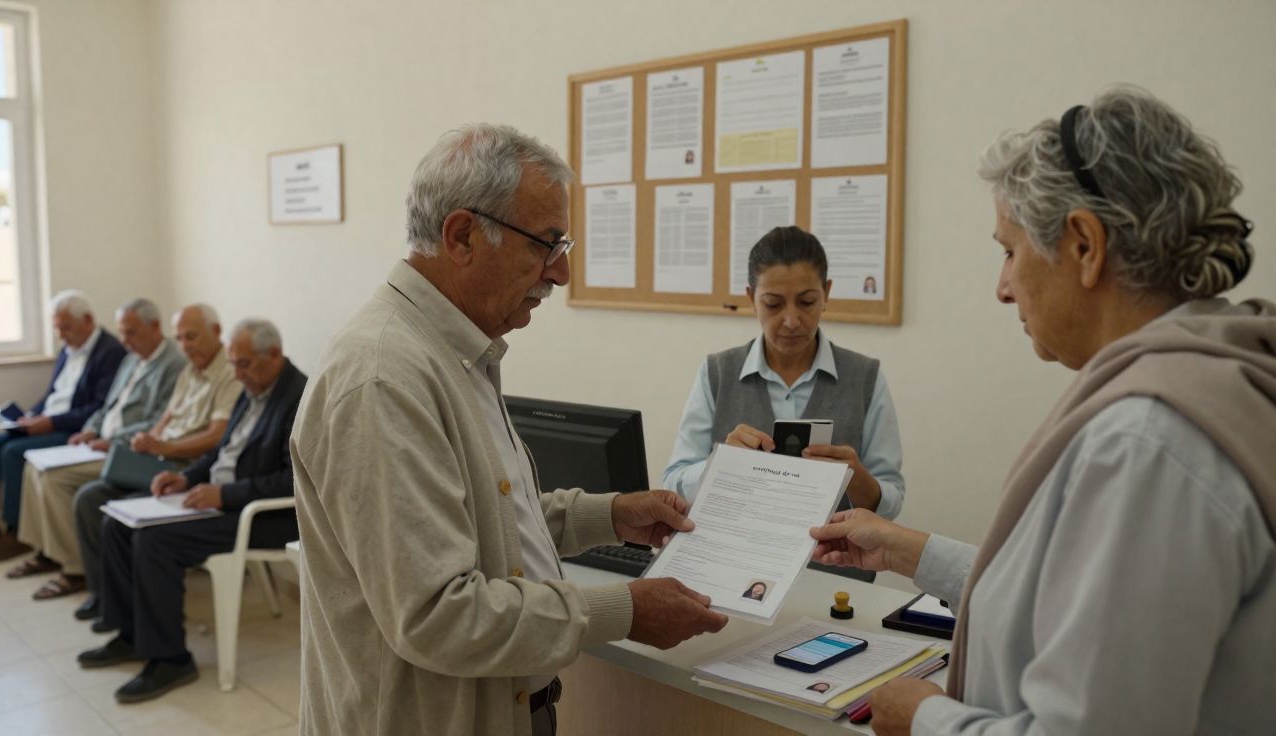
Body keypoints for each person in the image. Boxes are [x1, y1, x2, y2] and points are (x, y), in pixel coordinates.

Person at [809, 87, 1275, 735]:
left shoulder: (1148, 441)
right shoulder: (1217, 379)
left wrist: (924, 718)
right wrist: (911, 551)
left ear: (1084, 245)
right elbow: (1086, 602)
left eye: (1009, 249)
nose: (1003, 287)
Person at [293, 123, 728, 736]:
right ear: (463, 235)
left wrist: (609, 515)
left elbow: (480, 525)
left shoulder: (456, 351)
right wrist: (623, 610)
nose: (561, 273)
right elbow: (439, 615)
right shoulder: (384, 377)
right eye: (545, 245)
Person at [76, 318, 305, 704]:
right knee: (118, 521)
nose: (237, 374)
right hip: (220, 501)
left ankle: (171, 659)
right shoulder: (252, 388)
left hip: (263, 517)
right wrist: (185, 479)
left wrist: (225, 494)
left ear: (275, 355)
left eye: (244, 364)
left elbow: (293, 481)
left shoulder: (299, 398)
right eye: (233, 364)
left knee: (154, 540)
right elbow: (219, 453)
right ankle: (130, 635)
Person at [662, 226, 906, 579]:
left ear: (827, 293)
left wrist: (856, 476)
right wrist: (722, 464)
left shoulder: (865, 377)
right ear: (751, 297)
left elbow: (891, 500)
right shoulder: (717, 372)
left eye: (807, 302)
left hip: (837, 576)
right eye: (773, 304)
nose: (791, 320)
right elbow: (673, 481)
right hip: (732, 570)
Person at [69, 303, 242, 624]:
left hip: (187, 468)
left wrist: (165, 446)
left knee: (119, 514)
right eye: (180, 338)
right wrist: (147, 441)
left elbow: (217, 436)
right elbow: (165, 418)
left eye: (192, 336)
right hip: (158, 460)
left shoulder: (230, 372)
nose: (186, 345)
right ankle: (104, 596)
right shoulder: (189, 371)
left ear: (216, 332)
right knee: (88, 498)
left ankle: (128, 609)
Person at [10, 298, 185, 592]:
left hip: (132, 451)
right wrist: (90, 430)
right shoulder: (131, 359)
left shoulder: (174, 365)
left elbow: (159, 422)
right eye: (122, 333)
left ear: (155, 326)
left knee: (55, 478)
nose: (125, 341)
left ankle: (77, 569)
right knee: (33, 467)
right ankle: (48, 552)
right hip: (101, 443)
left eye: (131, 333)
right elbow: (107, 406)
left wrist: (112, 440)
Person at [0, 290, 126, 561]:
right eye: (57, 328)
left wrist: (50, 422)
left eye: (66, 328)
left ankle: (17, 531)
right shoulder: (68, 349)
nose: (61, 335)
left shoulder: (110, 352)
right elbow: (53, 393)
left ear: (88, 320)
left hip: (70, 430)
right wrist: (30, 415)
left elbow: (99, 406)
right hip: (47, 422)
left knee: (14, 452)